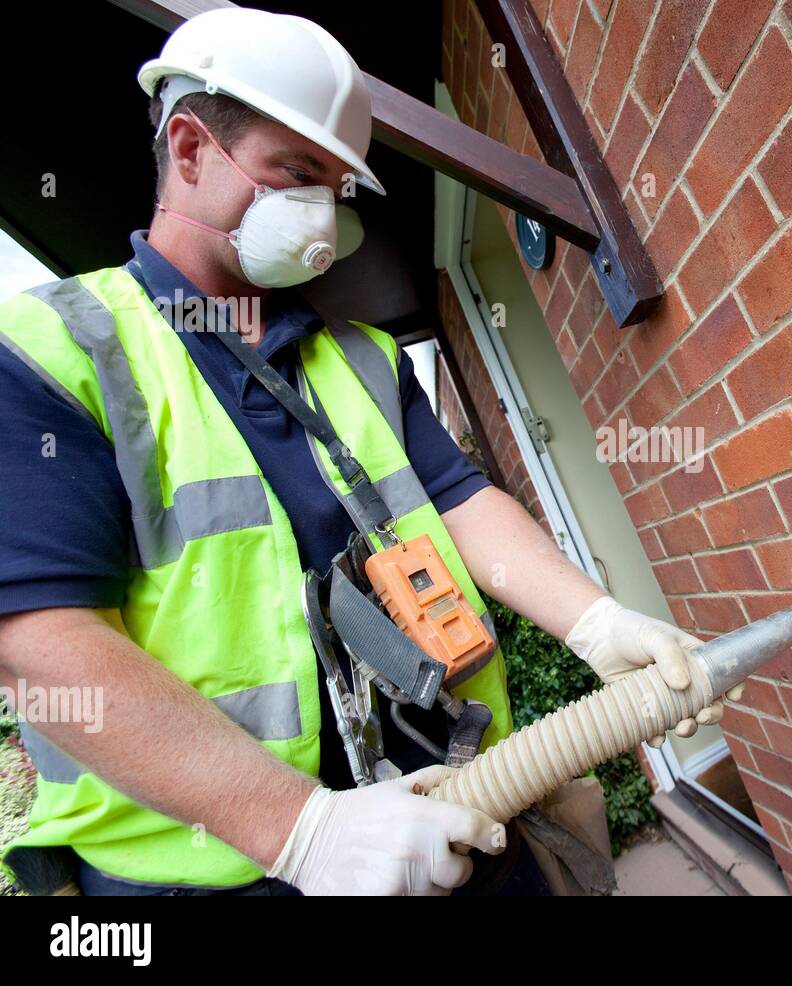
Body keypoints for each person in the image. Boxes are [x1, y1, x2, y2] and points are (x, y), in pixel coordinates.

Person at [0, 8, 737, 897]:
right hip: (227, 874)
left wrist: (596, 621)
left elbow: (462, 499)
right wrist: (303, 832)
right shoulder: (55, 347)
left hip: (463, 804)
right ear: (190, 151)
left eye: (339, 186)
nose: (321, 211)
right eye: (299, 172)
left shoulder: (360, 356)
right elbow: (37, 638)